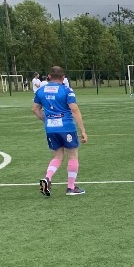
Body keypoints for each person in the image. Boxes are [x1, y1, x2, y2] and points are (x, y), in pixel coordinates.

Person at [33, 66, 88, 197]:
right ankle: (70, 187)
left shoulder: (41, 91)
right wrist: (83, 130)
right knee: (73, 156)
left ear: (49, 76)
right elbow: (74, 110)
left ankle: (47, 178)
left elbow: (35, 109)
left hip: (50, 128)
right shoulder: (67, 90)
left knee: (57, 156)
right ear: (63, 78)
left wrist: (46, 120)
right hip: (67, 127)